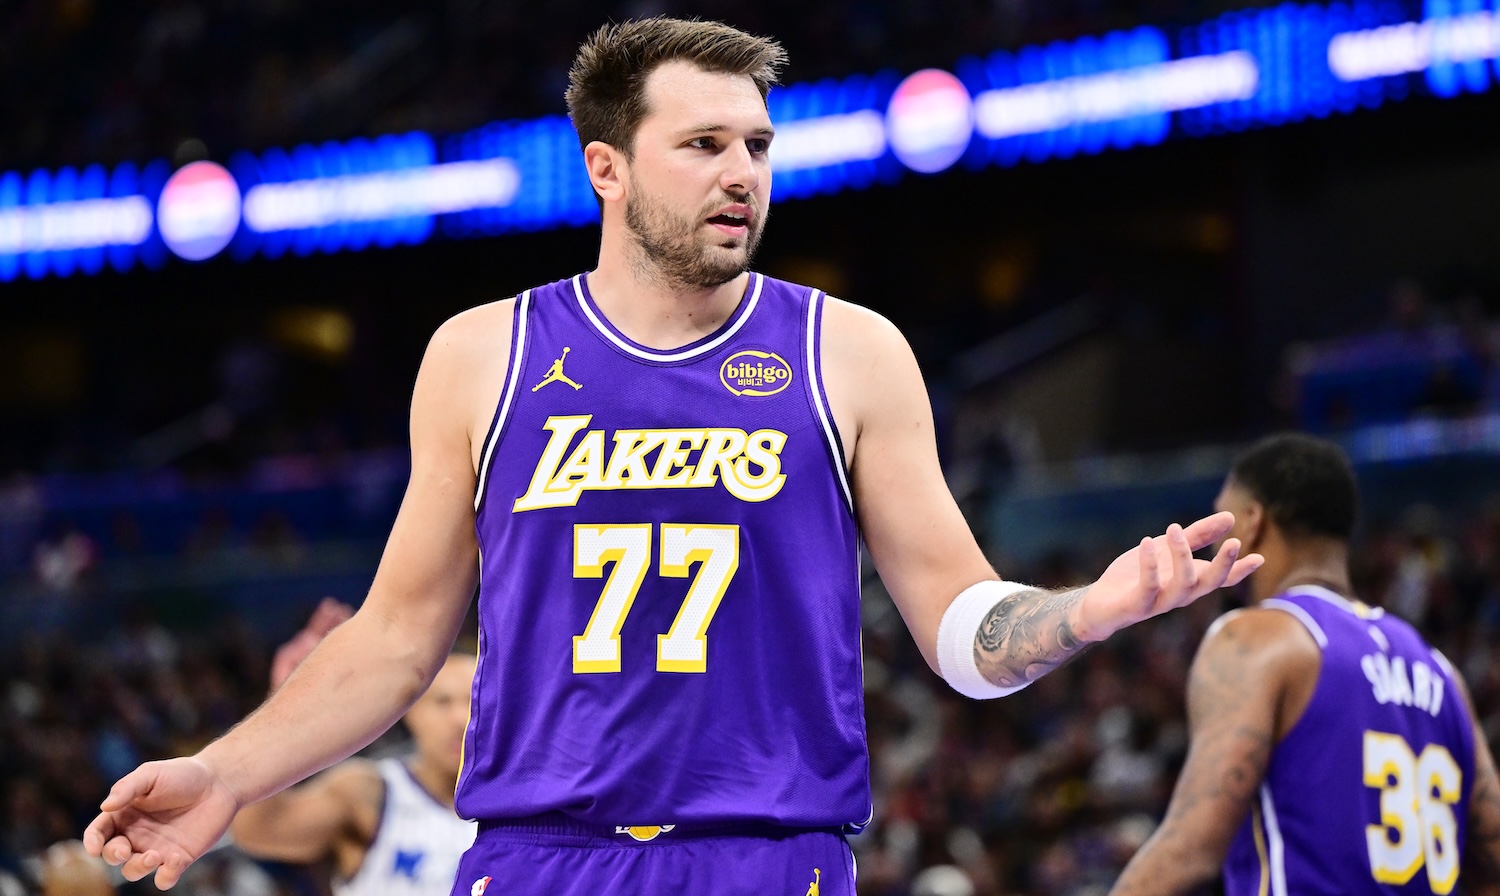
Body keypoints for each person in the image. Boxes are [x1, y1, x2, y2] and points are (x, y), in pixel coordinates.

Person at [84, 18, 1261, 895]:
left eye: (755, 142)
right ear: (607, 167)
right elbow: (397, 640)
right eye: (703, 143)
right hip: (538, 857)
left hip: (766, 856)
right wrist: (228, 773)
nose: (743, 171)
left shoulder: (847, 349)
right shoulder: (480, 354)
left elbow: (960, 625)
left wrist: (1087, 610)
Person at [1109, 433, 1500, 895]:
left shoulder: (1258, 638)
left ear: (1253, 521)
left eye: (1220, 520)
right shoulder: (1441, 672)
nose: (1212, 546)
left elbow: (1189, 849)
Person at [229, 599, 477, 896]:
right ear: (410, 710)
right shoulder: (370, 794)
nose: (461, 719)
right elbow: (259, 830)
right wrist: (284, 714)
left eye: (475, 702)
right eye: (443, 702)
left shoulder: (518, 805)